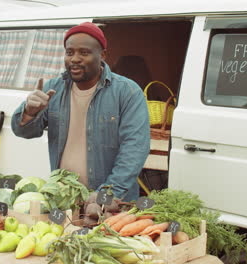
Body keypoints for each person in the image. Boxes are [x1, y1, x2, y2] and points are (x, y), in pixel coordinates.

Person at [11, 22, 150, 201]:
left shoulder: (127, 92)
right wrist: (29, 113)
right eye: (69, 52)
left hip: (111, 203)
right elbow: (23, 131)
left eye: (84, 52)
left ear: (102, 55)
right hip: (63, 198)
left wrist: (104, 197)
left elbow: (134, 151)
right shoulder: (53, 88)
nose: (74, 59)